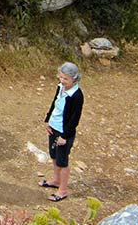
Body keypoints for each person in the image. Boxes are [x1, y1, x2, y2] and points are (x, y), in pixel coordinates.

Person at [41, 61, 84, 202]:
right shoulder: (60, 87)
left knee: (62, 161)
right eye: (61, 77)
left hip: (64, 132)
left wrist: (65, 136)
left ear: (74, 79)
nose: (62, 80)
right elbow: (55, 103)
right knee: (53, 155)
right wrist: (48, 119)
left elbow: (74, 119)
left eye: (66, 78)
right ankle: (56, 180)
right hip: (54, 127)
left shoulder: (77, 95)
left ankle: (63, 189)